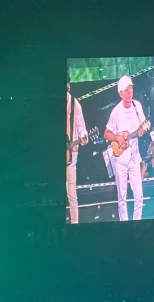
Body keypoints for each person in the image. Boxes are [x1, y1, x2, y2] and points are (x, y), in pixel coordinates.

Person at [104, 75, 149, 221]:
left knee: (139, 195)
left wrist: (142, 131)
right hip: (120, 160)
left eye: (131, 88)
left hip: (134, 157)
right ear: (120, 93)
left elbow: (143, 125)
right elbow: (106, 133)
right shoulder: (116, 112)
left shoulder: (137, 106)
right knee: (122, 197)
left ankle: (137, 222)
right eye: (126, 90)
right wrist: (117, 138)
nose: (129, 92)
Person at [66, 81, 89, 224]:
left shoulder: (75, 104)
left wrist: (84, 136)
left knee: (72, 195)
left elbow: (81, 127)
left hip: (70, 157)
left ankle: (75, 224)